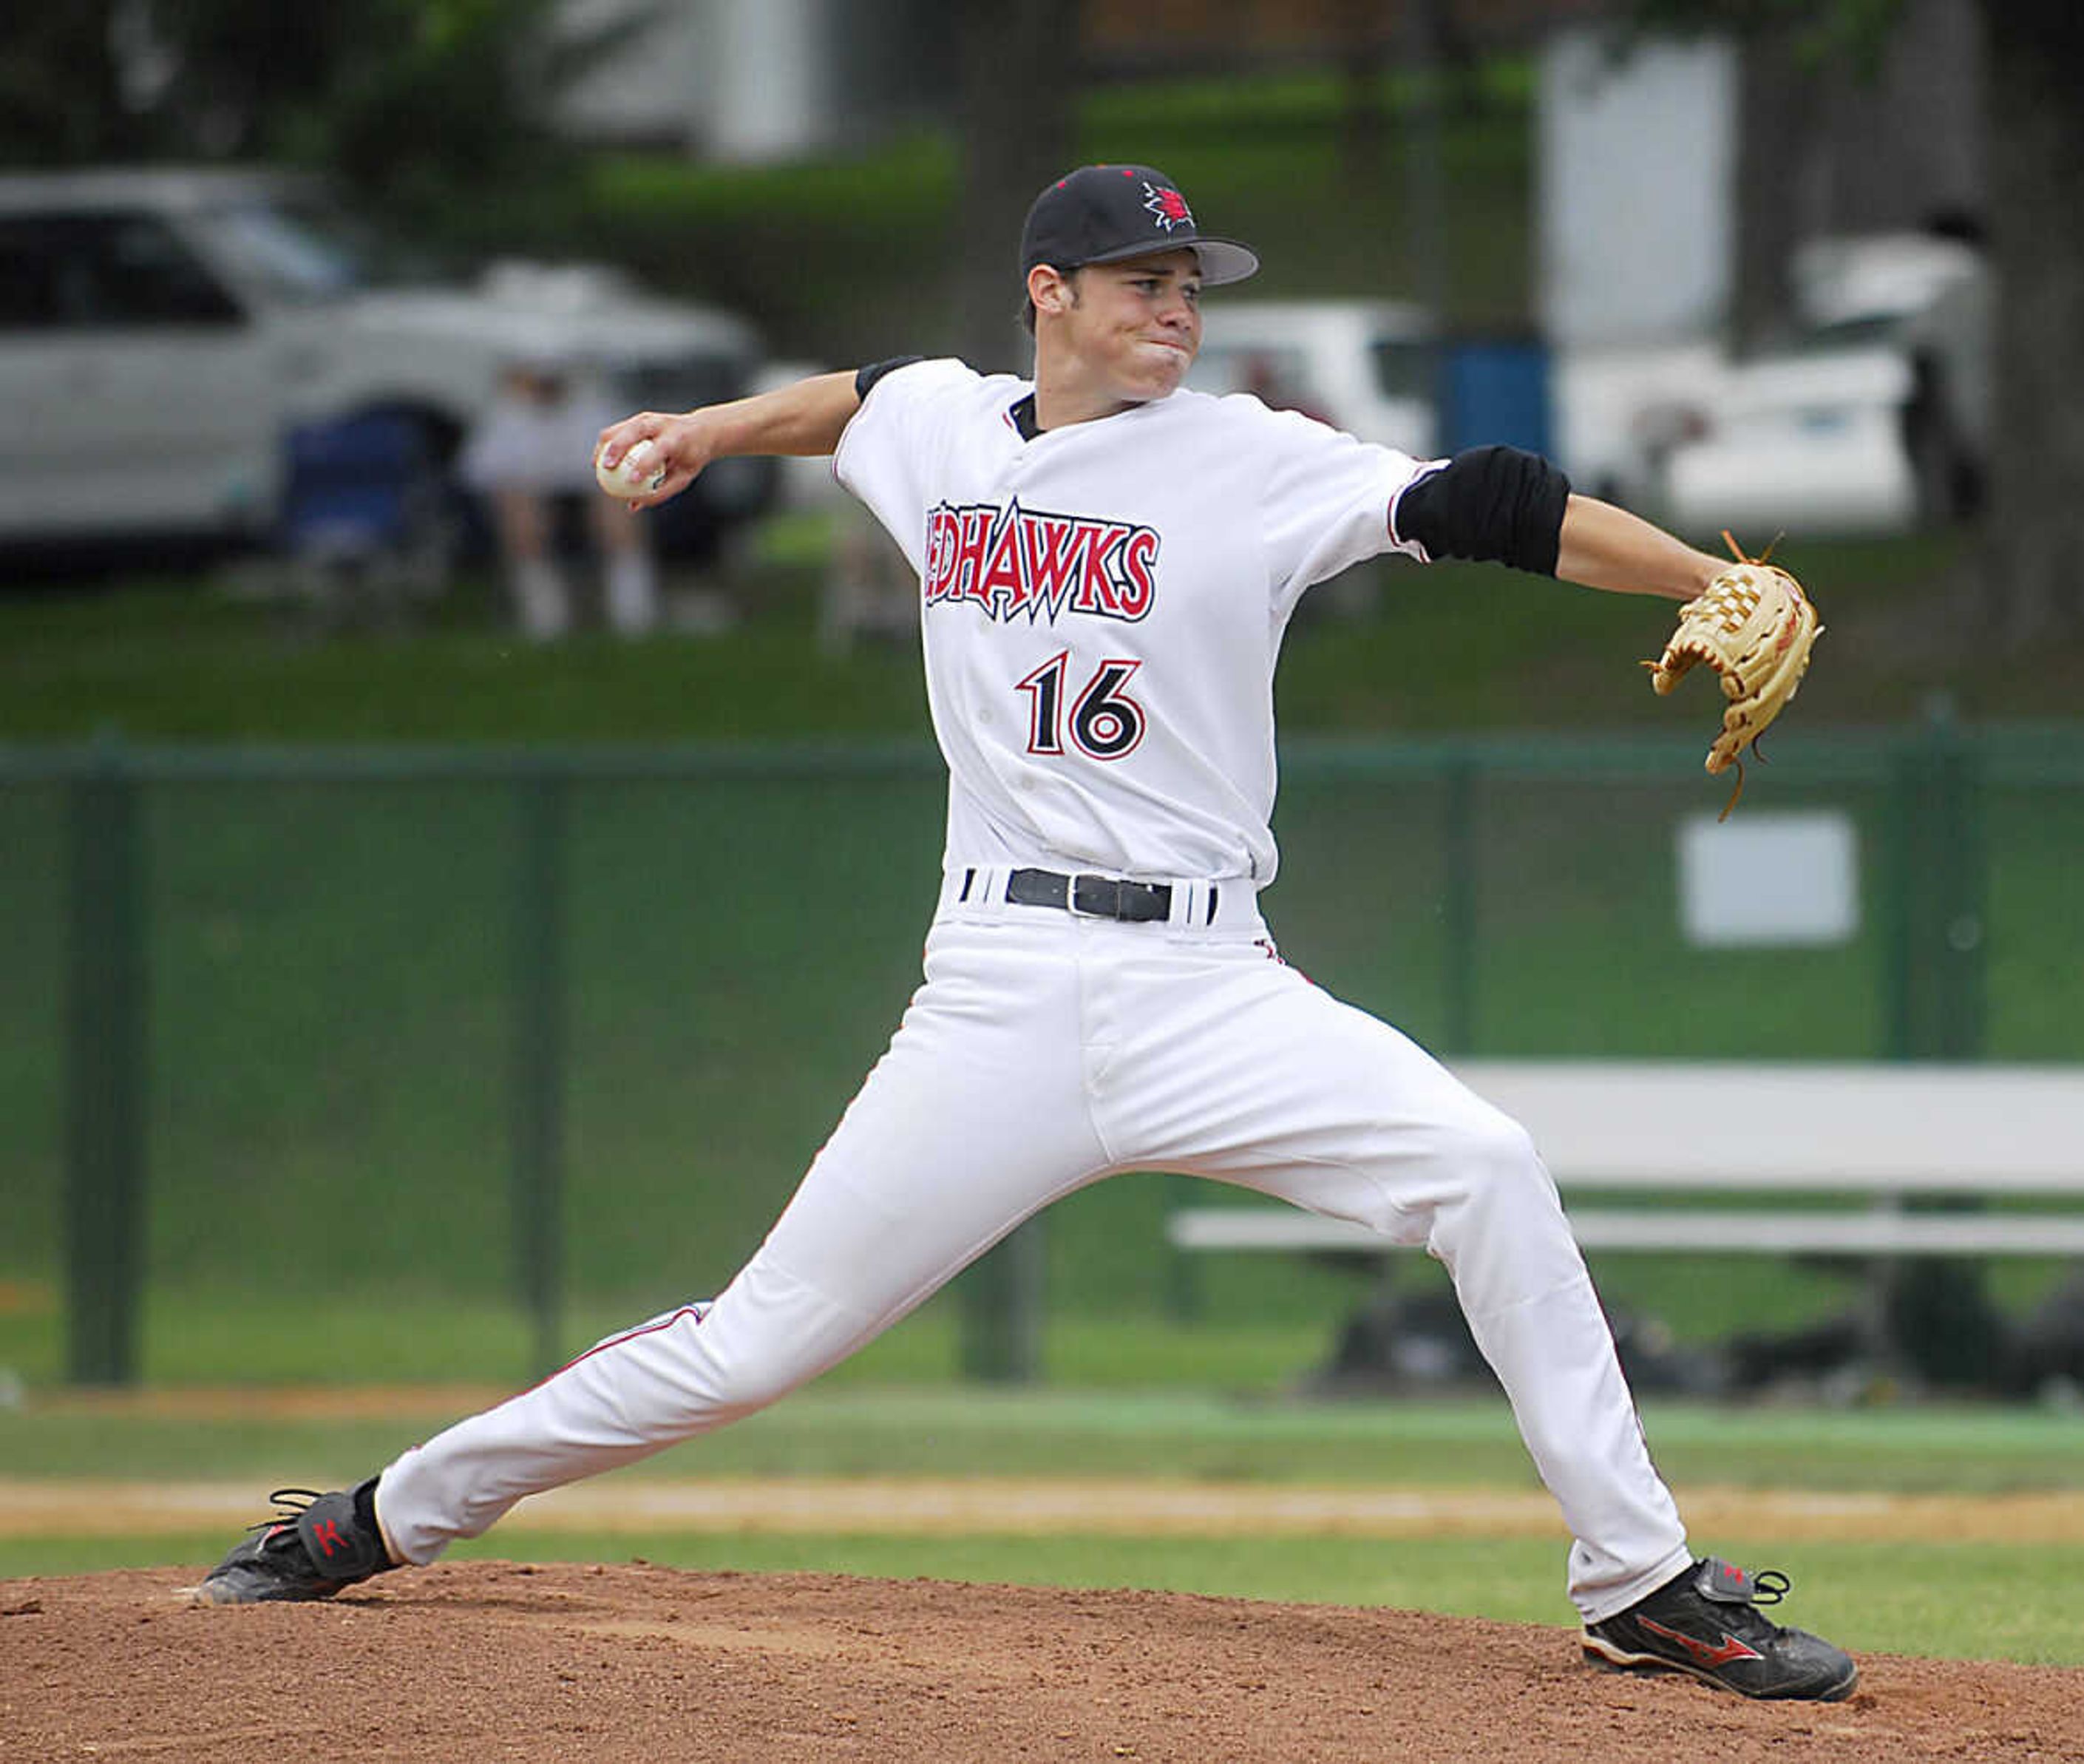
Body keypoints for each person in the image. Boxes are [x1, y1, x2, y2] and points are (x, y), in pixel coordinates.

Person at [189, 163, 1859, 1704]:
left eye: (1190, 284)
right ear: (1047, 292)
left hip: (1207, 982)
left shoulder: (1250, 457)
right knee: (751, 1342)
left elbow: (1483, 498)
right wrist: (706, 426)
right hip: (992, 992)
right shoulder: (936, 426)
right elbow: (850, 404)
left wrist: (1693, 581)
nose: (1177, 309)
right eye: (1141, 280)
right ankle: (377, 1515)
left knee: (1484, 1167)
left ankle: (1638, 1580)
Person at [458, 348, 660, 640]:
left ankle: (634, 616)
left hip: (588, 495)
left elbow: (614, 467)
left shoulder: (594, 409)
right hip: (532, 499)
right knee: (521, 517)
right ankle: (544, 620)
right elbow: (490, 476)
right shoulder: (505, 417)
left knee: (618, 514)